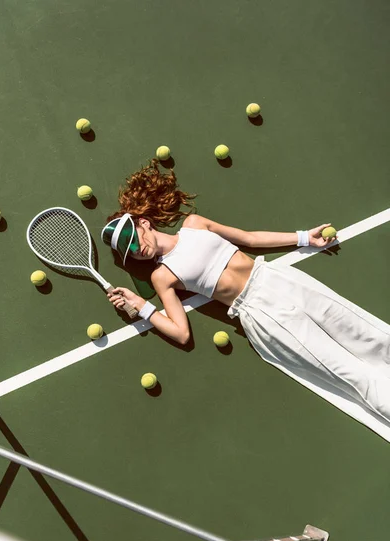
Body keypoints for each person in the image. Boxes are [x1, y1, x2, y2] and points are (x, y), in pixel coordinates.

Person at [102, 159, 390, 423]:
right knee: (345, 371)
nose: (139, 250)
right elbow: (181, 333)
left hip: (276, 279)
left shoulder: (194, 225)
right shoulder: (161, 277)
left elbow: (249, 238)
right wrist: (142, 306)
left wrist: (303, 237)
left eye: (134, 240)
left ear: (143, 222)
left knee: (366, 332)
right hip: (257, 311)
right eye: (132, 253)